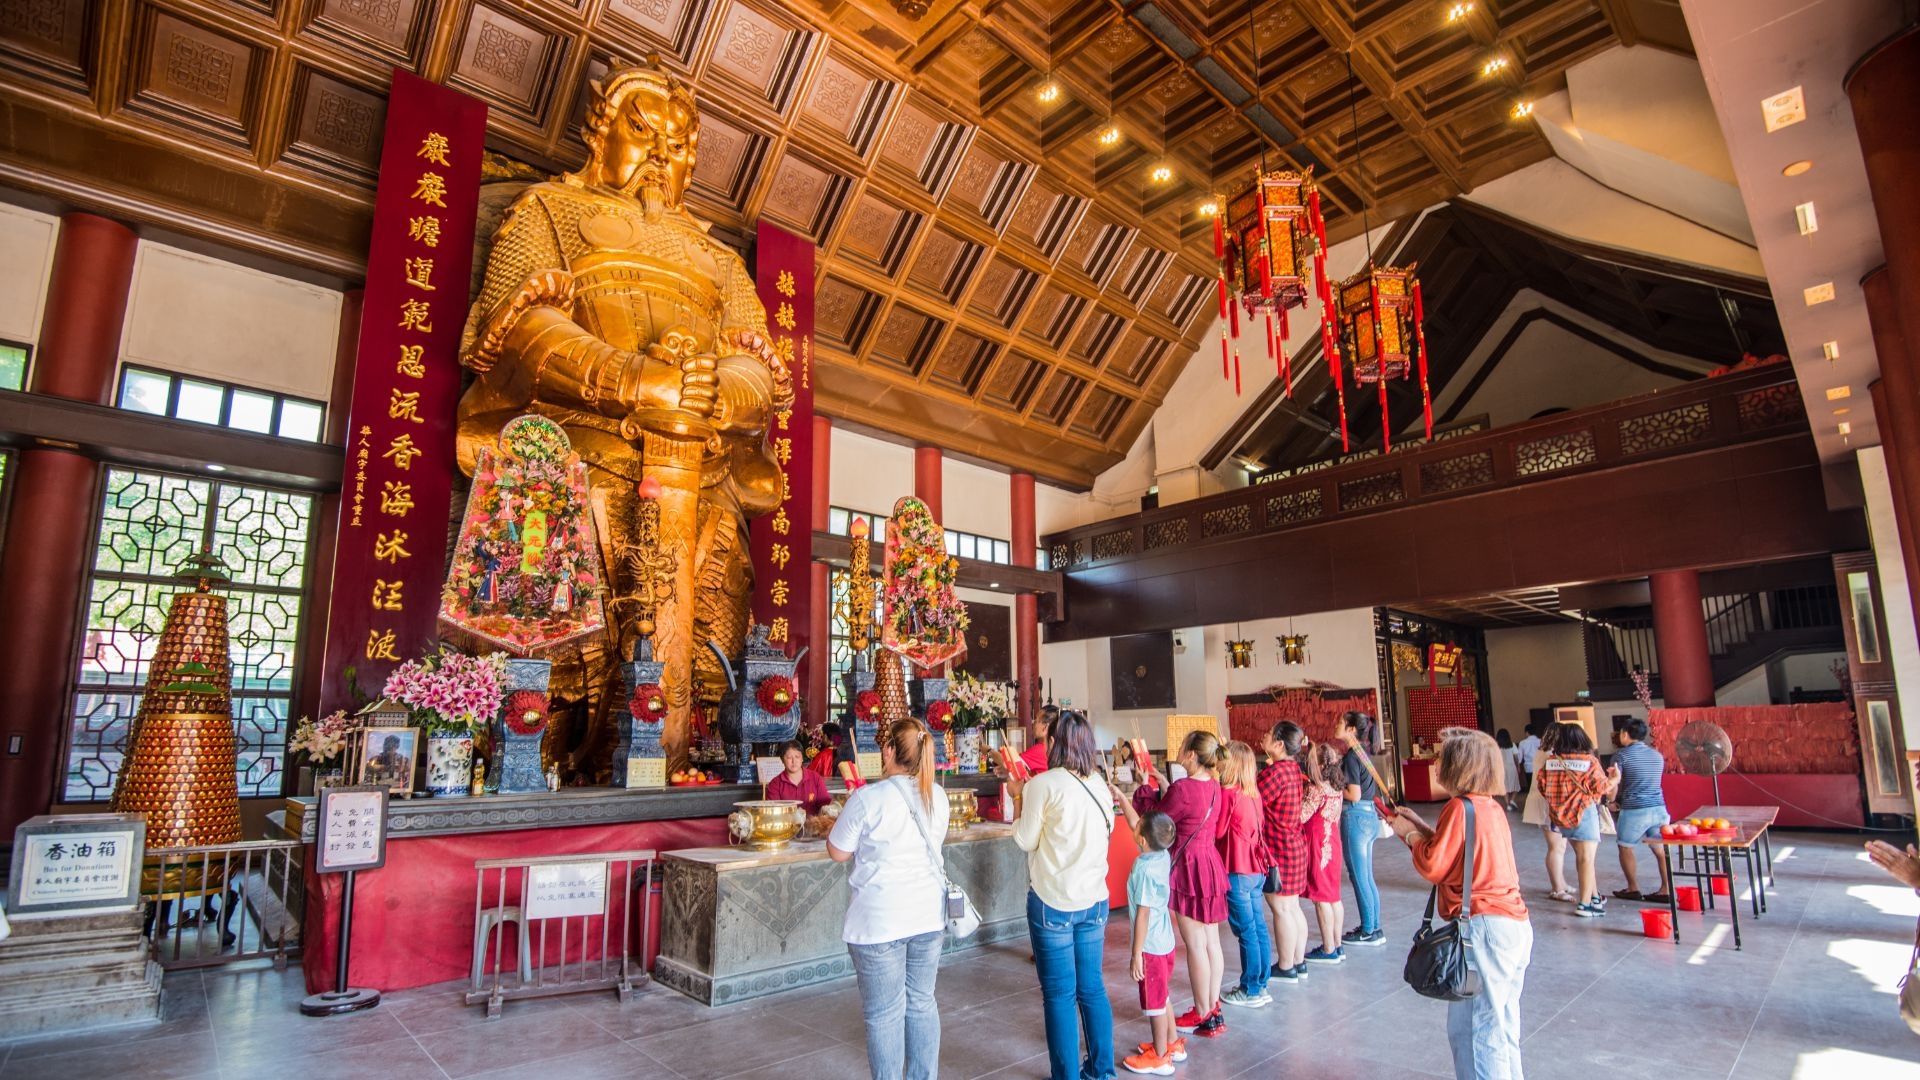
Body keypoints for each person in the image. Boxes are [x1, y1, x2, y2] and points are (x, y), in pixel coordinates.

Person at [1388, 730, 1532, 1080]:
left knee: (1476, 1035)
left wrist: (1406, 834)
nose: (1436, 764)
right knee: (1501, 1028)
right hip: (1511, 926)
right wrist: (1420, 826)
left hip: (1483, 929)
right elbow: (1457, 853)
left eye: (1442, 758)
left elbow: (1435, 866)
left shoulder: (1458, 806)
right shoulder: (1487, 807)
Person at [828, 719, 948, 1080]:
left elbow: (837, 851)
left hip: (880, 920)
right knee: (922, 1002)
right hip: (928, 916)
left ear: (890, 751)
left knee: (884, 1014)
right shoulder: (937, 796)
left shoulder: (869, 798)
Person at [1010, 711, 1116, 1080]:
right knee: (1092, 988)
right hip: (1095, 900)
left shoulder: (1043, 784)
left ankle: (1066, 1075)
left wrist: (1018, 797)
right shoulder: (1100, 784)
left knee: (1058, 995)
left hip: (1053, 901)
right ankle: (1102, 1071)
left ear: (1053, 744)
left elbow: (1024, 839)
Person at [1132, 730, 1230, 1037]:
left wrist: (1144, 787)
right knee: (1211, 941)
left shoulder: (1184, 788)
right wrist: (1164, 786)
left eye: (1183, 746)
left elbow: (1157, 821)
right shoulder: (1213, 785)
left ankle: (1202, 1012)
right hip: (1210, 864)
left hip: (1189, 868)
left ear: (1190, 754)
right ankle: (1213, 1006)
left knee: (1195, 945)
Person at [1117, 810, 1182, 1076]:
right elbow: (1141, 826)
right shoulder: (1162, 855)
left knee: (1155, 1003)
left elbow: (1142, 913)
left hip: (1151, 946)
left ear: (1142, 840)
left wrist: (1136, 953)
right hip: (1165, 940)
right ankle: (1172, 1043)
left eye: (1138, 827)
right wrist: (1121, 798)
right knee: (1164, 994)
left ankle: (1160, 1056)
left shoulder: (1143, 868)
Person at [1537, 724, 1618, 918]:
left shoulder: (1551, 762)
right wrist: (1615, 778)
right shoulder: (1588, 761)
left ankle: (1594, 896)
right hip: (1584, 814)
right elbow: (1602, 787)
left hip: (1561, 817)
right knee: (1586, 858)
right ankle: (1585, 904)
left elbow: (1541, 786)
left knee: (1583, 857)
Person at [1216, 740, 1273, 1010]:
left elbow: (1218, 832)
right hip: (1255, 869)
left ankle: (1250, 989)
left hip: (1236, 868)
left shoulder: (1229, 794)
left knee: (1246, 932)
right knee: (1258, 927)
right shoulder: (1252, 793)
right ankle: (1261, 984)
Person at [1258, 722, 1309, 986]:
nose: (1263, 737)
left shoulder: (1275, 773)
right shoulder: (1291, 769)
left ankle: (1286, 965)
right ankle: (1298, 961)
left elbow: (1254, 798)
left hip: (1280, 847)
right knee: (1292, 907)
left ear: (1279, 744)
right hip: (1295, 845)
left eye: (1267, 734)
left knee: (1281, 908)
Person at [1337, 712, 1386, 947]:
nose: (1336, 726)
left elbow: (1353, 793)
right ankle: (1373, 925)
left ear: (1351, 729)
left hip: (1355, 816)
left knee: (1358, 876)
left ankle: (1368, 929)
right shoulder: (1363, 753)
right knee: (1366, 876)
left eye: (1340, 724)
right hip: (1369, 816)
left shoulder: (1351, 757)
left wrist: (1335, 788)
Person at [1609, 718, 1672, 903]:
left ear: (1625, 734)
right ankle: (1666, 889)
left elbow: (1614, 784)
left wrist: (1610, 801)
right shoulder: (1657, 755)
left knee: (1625, 846)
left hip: (1634, 810)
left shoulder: (1621, 757)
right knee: (1660, 849)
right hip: (1659, 808)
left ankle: (1633, 888)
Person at [1301, 741, 1347, 964]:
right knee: (1333, 896)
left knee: (1321, 898)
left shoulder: (1317, 789)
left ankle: (1328, 948)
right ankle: (1337, 944)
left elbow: (1301, 816)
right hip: (1333, 842)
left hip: (1319, 844)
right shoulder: (1336, 787)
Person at [1521, 722, 1572, 902]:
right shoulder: (1551, 755)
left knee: (1560, 846)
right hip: (1548, 803)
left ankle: (1562, 883)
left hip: (1545, 801)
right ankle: (1557, 888)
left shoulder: (1544, 752)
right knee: (1556, 847)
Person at [767, 740, 832, 814]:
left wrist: (827, 810)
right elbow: (773, 812)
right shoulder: (775, 784)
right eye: (789, 758)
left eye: (797, 757)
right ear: (782, 760)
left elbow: (825, 805)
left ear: (802, 759)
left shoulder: (816, 778)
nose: (794, 761)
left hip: (813, 824)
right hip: (787, 824)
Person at [1022, 704, 1060, 775]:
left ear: (1045, 727)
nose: (1034, 723)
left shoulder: (1040, 750)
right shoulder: (1060, 749)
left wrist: (994, 753)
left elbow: (1012, 763)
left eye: (1036, 720)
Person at [1495, 730, 1520, 812]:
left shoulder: (1496, 746)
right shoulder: (1512, 745)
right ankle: (1512, 801)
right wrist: (1518, 767)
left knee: (1504, 786)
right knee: (1516, 786)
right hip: (1511, 767)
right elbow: (1516, 758)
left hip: (1501, 768)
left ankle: (1508, 804)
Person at [1515, 722, 1541, 798]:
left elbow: (1519, 758)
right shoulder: (1541, 741)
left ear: (1527, 732)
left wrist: (1518, 766)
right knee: (1540, 787)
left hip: (1529, 768)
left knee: (1531, 787)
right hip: (1540, 766)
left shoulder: (1522, 743)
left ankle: (1533, 802)